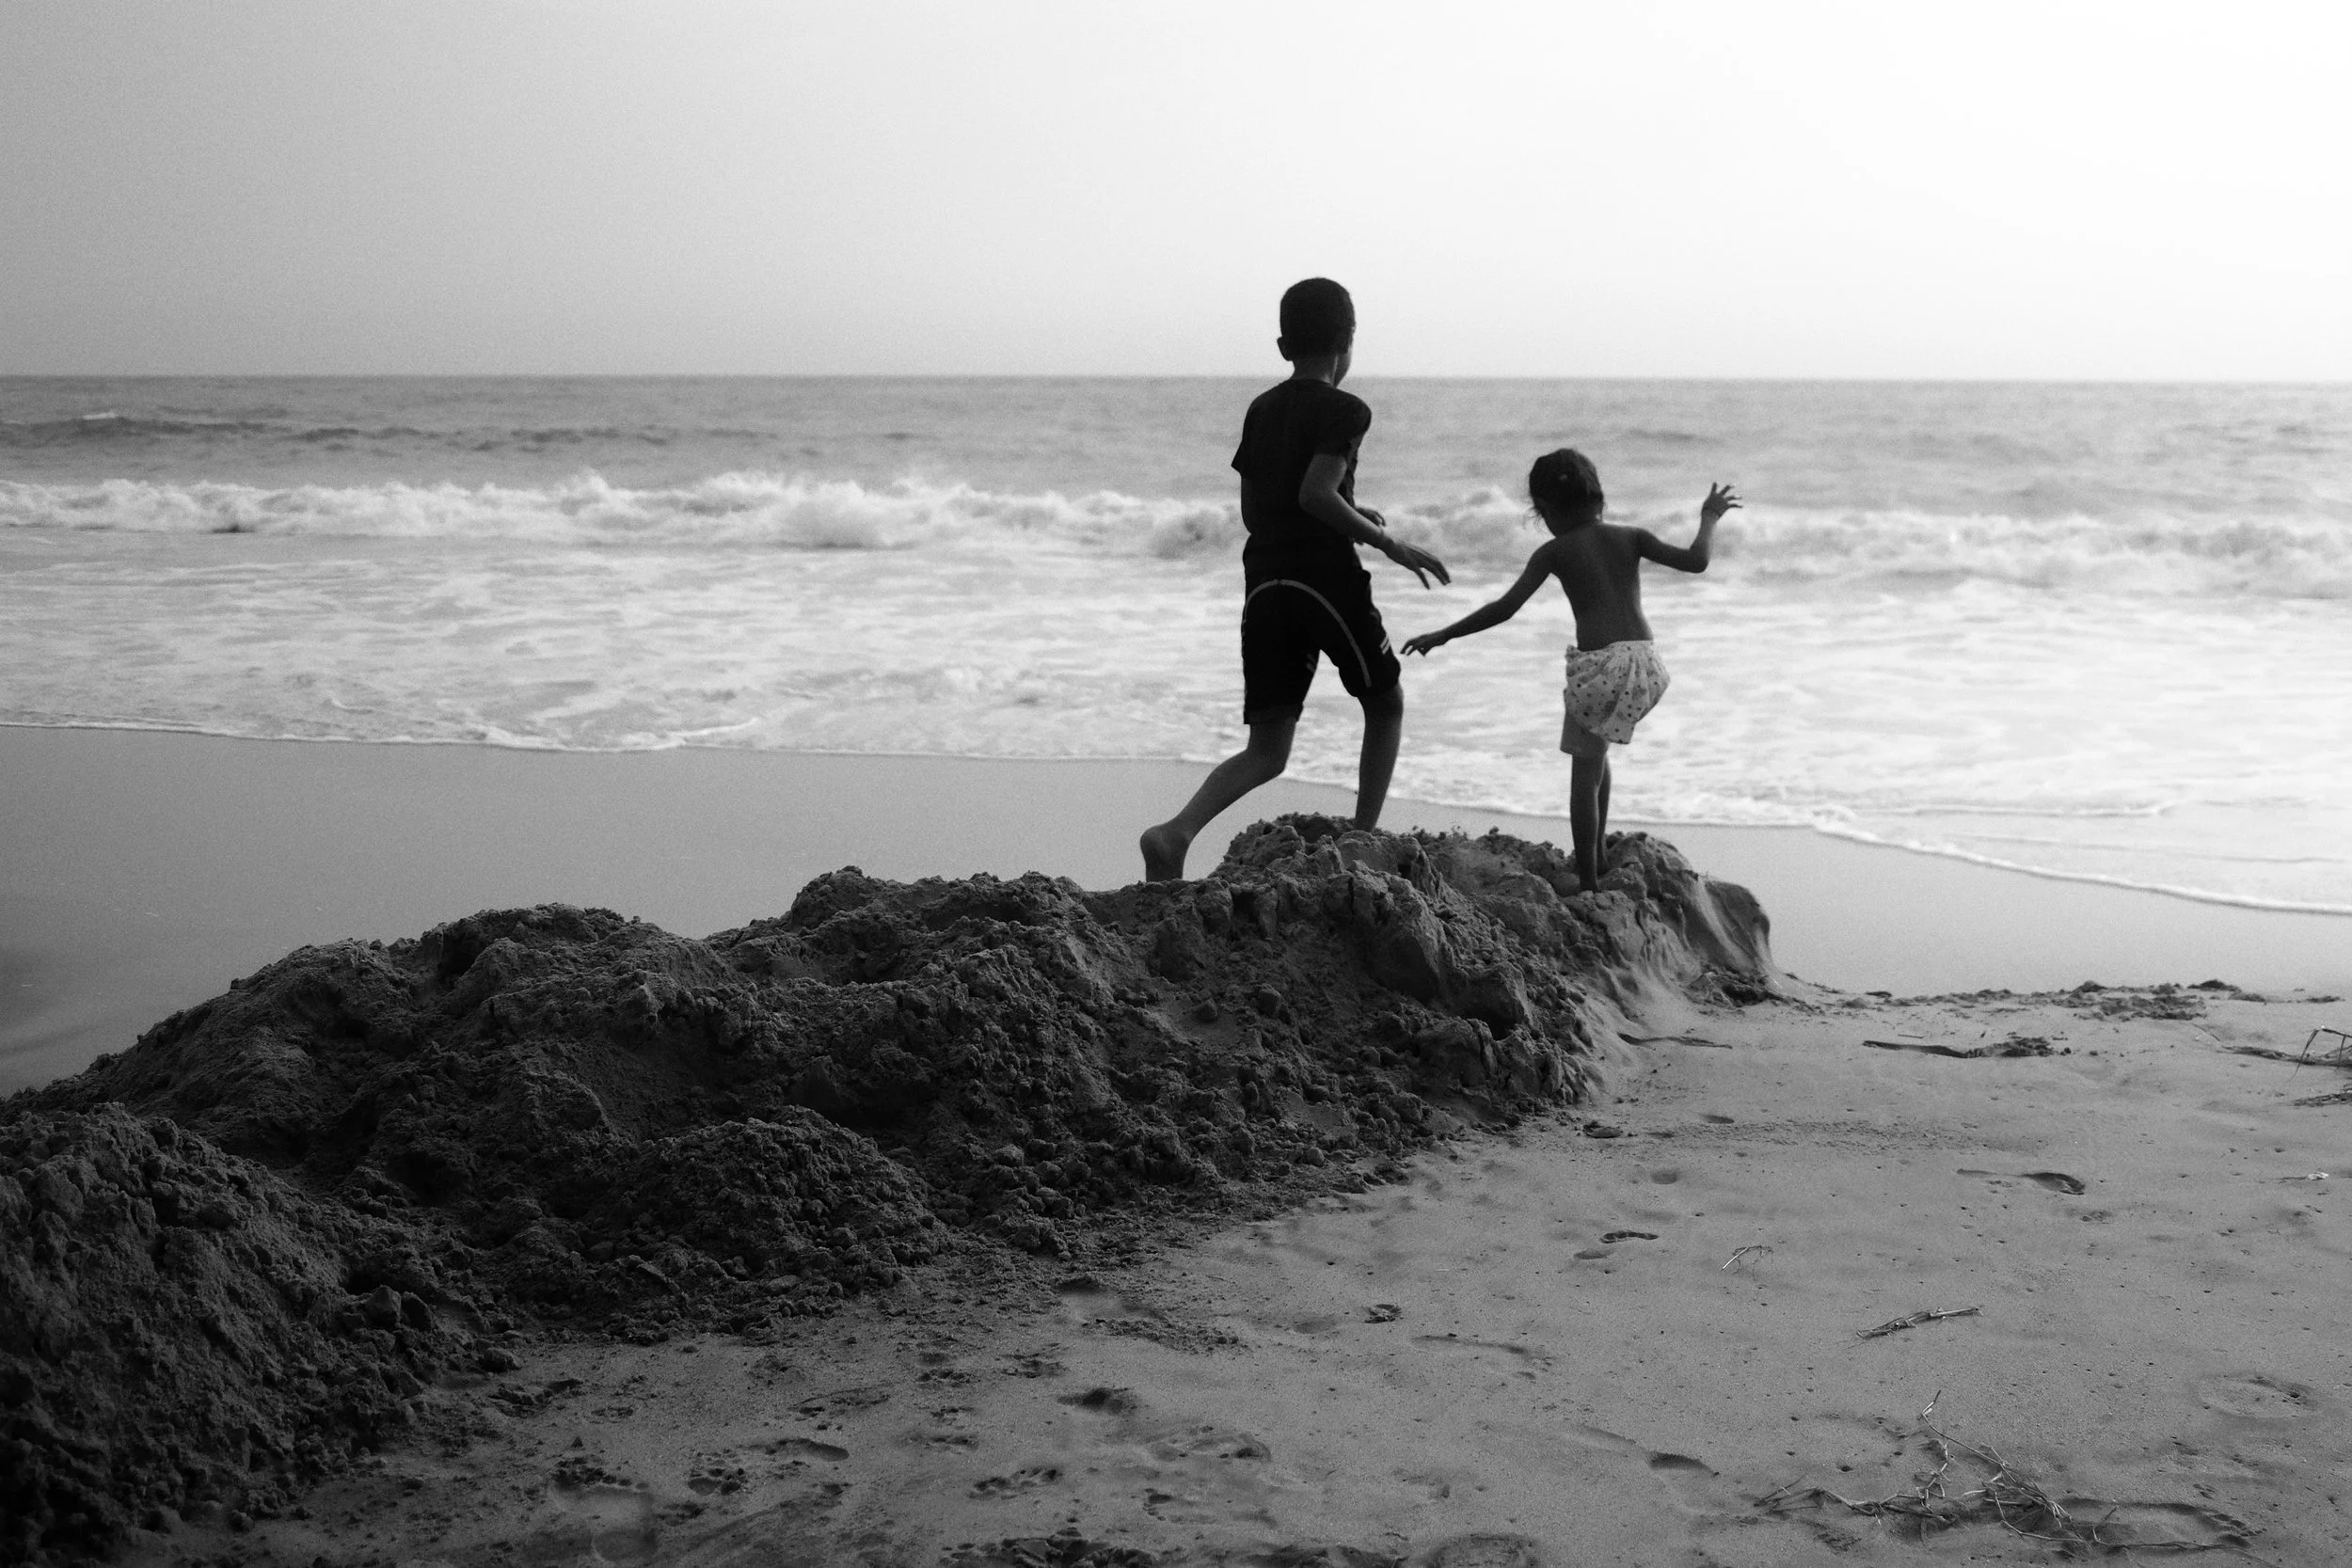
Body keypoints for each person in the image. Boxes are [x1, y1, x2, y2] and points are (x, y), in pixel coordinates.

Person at [1139, 277, 1451, 881]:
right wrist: (1384, 540)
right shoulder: (1347, 409)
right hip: (1323, 573)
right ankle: (1364, 836)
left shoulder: (1261, 408)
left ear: (1284, 346)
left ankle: (1175, 833)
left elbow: (1258, 511)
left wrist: (1354, 512)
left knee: (1268, 748)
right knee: (1385, 703)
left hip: (1265, 580)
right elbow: (1316, 493)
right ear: (1348, 343)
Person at [1403, 449, 1739, 894]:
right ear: (1600, 499)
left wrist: (1444, 634)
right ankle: (1597, 853)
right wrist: (1710, 517)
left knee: (1583, 778)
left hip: (1602, 668)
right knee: (1597, 751)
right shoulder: (1631, 536)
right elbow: (1697, 561)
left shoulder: (1555, 551)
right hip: (1647, 664)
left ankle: (1587, 883)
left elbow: (1505, 608)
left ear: (1542, 511)